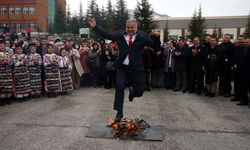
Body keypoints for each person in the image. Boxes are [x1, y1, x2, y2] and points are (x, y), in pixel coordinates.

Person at [87, 18, 161, 122]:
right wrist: (95, 26)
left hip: (136, 68)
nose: (130, 29)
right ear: (125, 27)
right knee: (119, 87)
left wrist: (157, 38)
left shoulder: (142, 36)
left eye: (132, 27)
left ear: (136, 27)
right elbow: (106, 35)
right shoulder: (120, 35)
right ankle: (119, 112)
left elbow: (155, 46)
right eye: (128, 27)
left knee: (140, 92)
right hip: (122, 68)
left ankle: (133, 93)